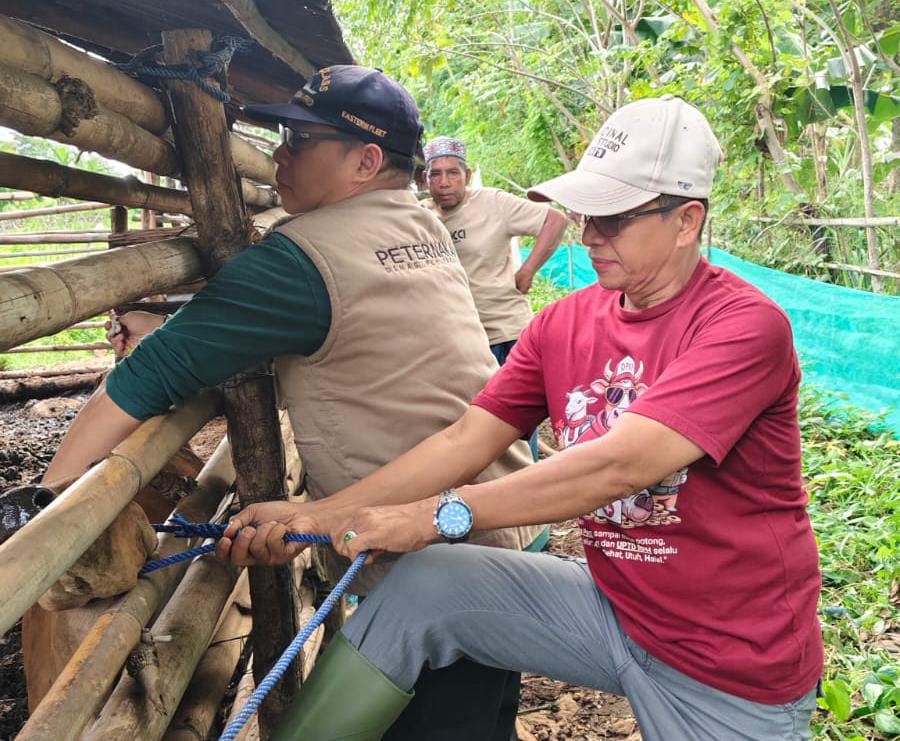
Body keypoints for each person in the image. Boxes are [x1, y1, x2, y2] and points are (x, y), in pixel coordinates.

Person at [219, 95, 824, 741]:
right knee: (426, 586)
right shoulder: (564, 322)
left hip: (729, 662)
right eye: (586, 213)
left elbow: (622, 464)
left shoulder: (743, 326)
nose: (590, 234)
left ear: (686, 220)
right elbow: (465, 436)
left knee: (429, 550)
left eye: (614, 218)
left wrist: (434, 515)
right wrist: (321, 514)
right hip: (617, 609)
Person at [39, 65, 547, 741]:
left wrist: (48, 503)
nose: (279, 153)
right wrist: (175, 319)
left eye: (300, 140)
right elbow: (339, 314)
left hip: (437, 567)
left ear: (366, 160)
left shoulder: (300, 259)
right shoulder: (418, 224)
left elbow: (147, 378)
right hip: (499, 516)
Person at [422, 136, 567, 366]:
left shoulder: (492, 203)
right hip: (457, 339)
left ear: (467, 176)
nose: (444, 182)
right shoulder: (421, 215)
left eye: (453, 173)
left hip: (506, 333)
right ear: (425, 179)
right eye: (435, 174)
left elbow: (555, 221)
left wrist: (527, 271)